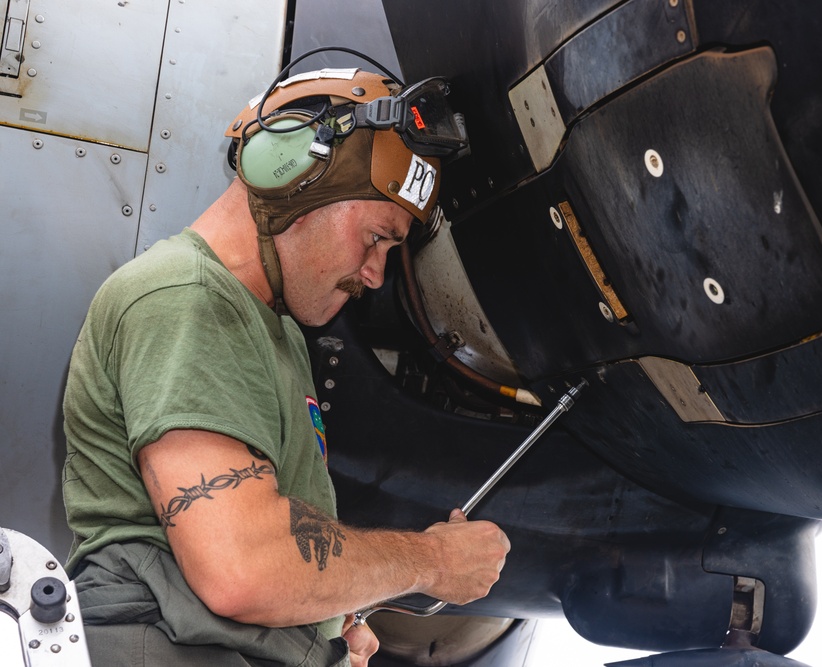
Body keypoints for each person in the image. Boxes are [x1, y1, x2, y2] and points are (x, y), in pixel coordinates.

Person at [61, 67, 510, 667]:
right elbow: (240, 571)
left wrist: (325, 620)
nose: (375, 275)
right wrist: (434, 562)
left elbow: (260, 558)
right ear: (295, 179)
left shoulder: (273, 332)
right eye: (376, 237)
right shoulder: (183, 298)